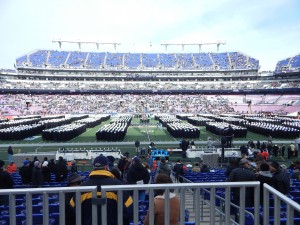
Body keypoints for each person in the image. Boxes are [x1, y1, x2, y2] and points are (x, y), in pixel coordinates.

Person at [70, 155, 133, 225]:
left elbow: (73, 210)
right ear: (106, 167)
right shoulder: (118, 185)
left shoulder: (82, 188)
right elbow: (129, 209)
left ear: (93, 168)